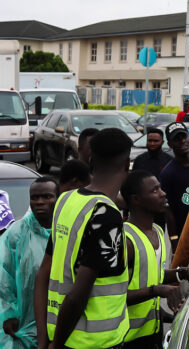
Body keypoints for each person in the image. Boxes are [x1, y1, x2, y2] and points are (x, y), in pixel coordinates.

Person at [35, 128, 133, 349]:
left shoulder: (66, 200)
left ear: (90, 160)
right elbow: (78, 295)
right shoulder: (106, 214)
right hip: (93, 342)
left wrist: (44, 341)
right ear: (127, 164)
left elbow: (43, 273)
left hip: (57, 333)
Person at [120, 170, 189, 348]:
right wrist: (157, 290)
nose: (163, 193)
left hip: (153, 333)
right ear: (135, 199)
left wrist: (184, 273)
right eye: (154, 190)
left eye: (160, 188)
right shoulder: (126, 240)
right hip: (128, 338)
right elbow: (113, 294)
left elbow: (151, 274)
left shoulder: (157, 230)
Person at [0, 178, 57, 348]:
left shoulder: (65, 230)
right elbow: (3, 277)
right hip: (22, 325)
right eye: (34, 197)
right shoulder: (16, 234)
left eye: (47, 196)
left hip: (60, 323)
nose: (39, 202)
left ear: (58, 198)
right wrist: (8, 313)